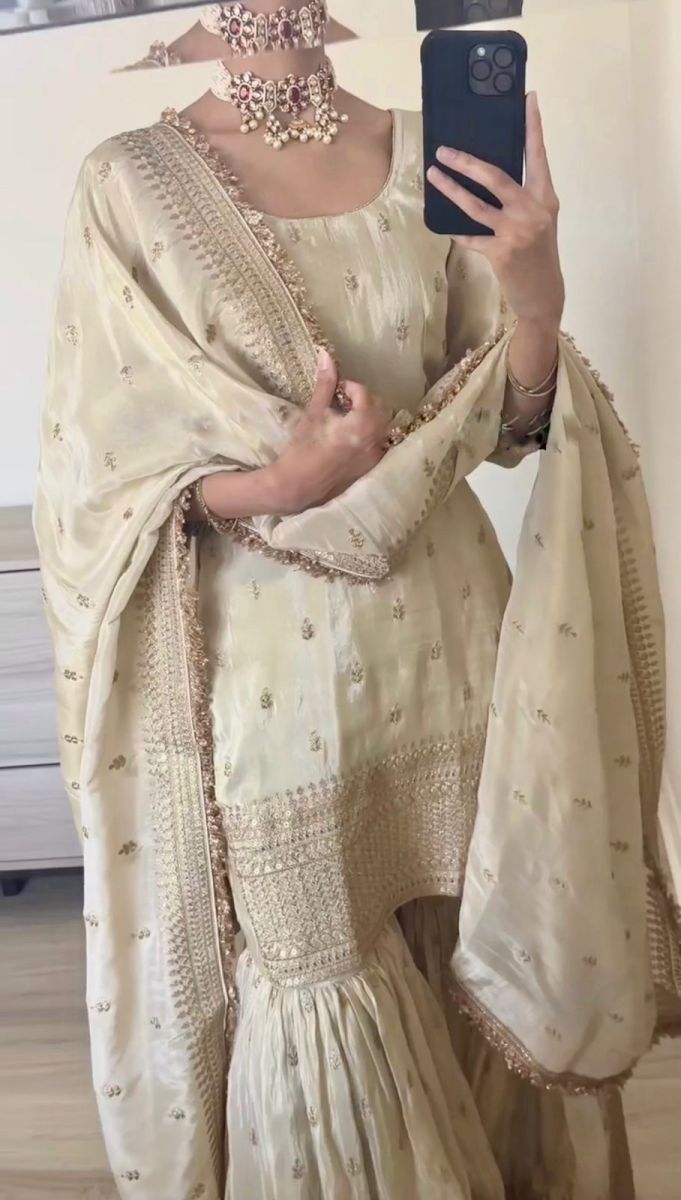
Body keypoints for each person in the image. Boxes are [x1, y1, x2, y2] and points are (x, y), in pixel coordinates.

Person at [34, 2, 680, 1197]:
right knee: (319, 968)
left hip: (458, 651)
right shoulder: (129, 183)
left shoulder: (434, 147)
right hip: (273, 685)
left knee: (484, 939)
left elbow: (510, 426)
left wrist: (536, 297)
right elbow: (95, 484)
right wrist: (285, 482)